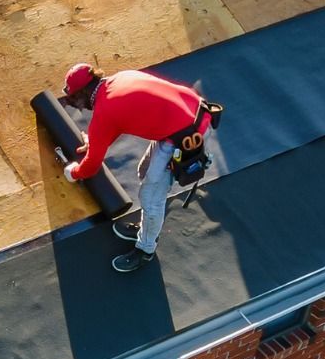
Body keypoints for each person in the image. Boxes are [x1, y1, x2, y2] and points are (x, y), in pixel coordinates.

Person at [60, 63, 219, 274]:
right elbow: (117, 124)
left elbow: (91, 166)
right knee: (144, 171)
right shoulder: (120, 78)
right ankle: (146, 230)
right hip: (193, 112)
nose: (76, 107)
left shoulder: (104, 111)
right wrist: (97, 141)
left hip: (186, 135)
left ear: (82, 93)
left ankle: (146, 249)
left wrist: (73, 172)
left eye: (73, 101)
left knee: (150, 198)